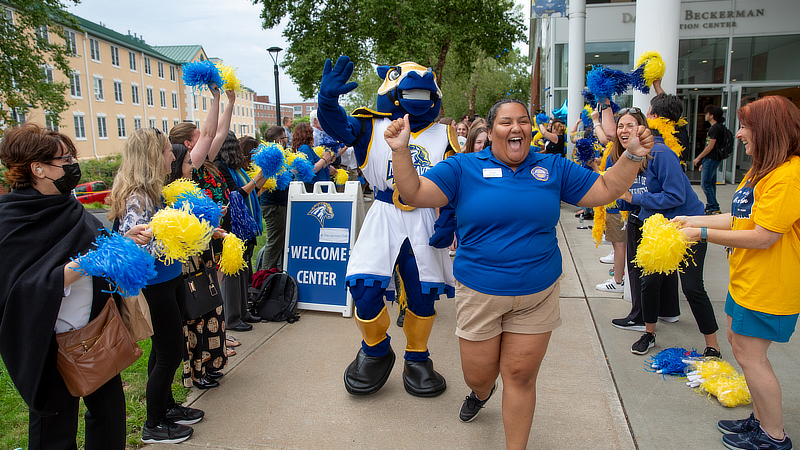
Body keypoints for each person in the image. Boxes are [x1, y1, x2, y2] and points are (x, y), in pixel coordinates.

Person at [387, 99, 653, 449]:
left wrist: (631, 155)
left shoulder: (552, 166)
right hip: (480, 293)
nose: (516, 128)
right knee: (479, 376)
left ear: (530, 129)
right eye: (506, 122)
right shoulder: (463, 167)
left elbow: (605, 189)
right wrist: (400, 150)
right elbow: (415, 192)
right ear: (492, 128)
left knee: (521, 377)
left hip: (537, 294)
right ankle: (482, 393)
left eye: (523, 121)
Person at [0, 124, 144, 449]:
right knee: (53, 432)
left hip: (94, 334)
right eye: (64, 159)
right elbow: (19, 290)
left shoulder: (69, 205)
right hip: (47, 345)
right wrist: (86, 264)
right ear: (38, 168)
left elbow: (93, 246)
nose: (71, 166)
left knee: (109, 419)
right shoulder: (11, 219)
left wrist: (122, 242)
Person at [677, 95, 800, 450]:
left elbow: (763, 237)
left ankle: (774, 436)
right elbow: (739, 218)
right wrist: (693, 218)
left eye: (747, 126)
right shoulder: (763, 169)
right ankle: (761, 420)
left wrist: (699, 233)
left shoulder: (788, 176)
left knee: (751, 356)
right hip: (746, 281)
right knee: (739, 346)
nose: (741, 133)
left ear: (768, 130)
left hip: (769, 285)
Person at [107, 127, 201, 444]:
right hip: (155, 284)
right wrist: (164, 237)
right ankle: (154, 423)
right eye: (166, 151)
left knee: (166, 350)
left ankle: (167, 407)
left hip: (170, 278)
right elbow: (131, 246)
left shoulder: (155, 192)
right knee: (170, 352)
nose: (172, 156)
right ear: (151, 157)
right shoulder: (136, 198)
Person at [612, 104, 720, 357]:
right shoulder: (627, 156)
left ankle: (712, 345)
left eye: (630, 124)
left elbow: (675, 195)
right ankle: (649, 333)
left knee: (692, 287)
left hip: (687, 225)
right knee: (648, 283)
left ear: (643, 127)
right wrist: (618, 195)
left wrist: (634, 197)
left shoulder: (661, 153)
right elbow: (630, 196)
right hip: (657, 229)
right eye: (620, 126)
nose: (624, 130)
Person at [168, 144, 228, 390]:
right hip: (188, 263)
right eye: (188, 163)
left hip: (205, 256)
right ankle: (196, 371)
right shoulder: (170, 196)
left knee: (212, 309)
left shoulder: (195, 190)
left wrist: (213, 223)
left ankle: (212, 364)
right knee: (196, 316)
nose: (192, 167)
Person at [214, 131, 267, 330]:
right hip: (231, 226)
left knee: (245, 270)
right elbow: (235, 194)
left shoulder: (236, 168)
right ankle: (232, 317)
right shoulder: (221, 167)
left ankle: (243, 311)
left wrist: (264, 176)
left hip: (244, 225)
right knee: (232, 273)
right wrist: (257, 179)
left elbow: (251, 191)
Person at [258, 126, 291, 271]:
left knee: (279, 240)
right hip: (273, 205)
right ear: (279, 141)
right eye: (285, 139)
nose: (286, 142)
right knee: (275, 241)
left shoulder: (273, 154)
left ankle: (273, 271)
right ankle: (264, 276)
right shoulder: (271, 156)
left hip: (276, 204)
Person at [694, 104, 725, 214]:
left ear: (712, 115)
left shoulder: (715, 128)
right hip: (712, 159)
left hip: (711, 159)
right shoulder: (718, 127)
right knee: (710, 183)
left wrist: (698, 158)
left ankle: (713, 206)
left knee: (705, 183)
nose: (705, 116)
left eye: (706, 113)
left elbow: (710, 146)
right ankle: (712, 205)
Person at [293, 123, 334, 192]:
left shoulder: (303, 148)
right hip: (312, 187)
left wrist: (327, 161)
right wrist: (324, 159)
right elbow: (311, 170)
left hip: (314, 186)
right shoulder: (304, 148)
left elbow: (317, 166)